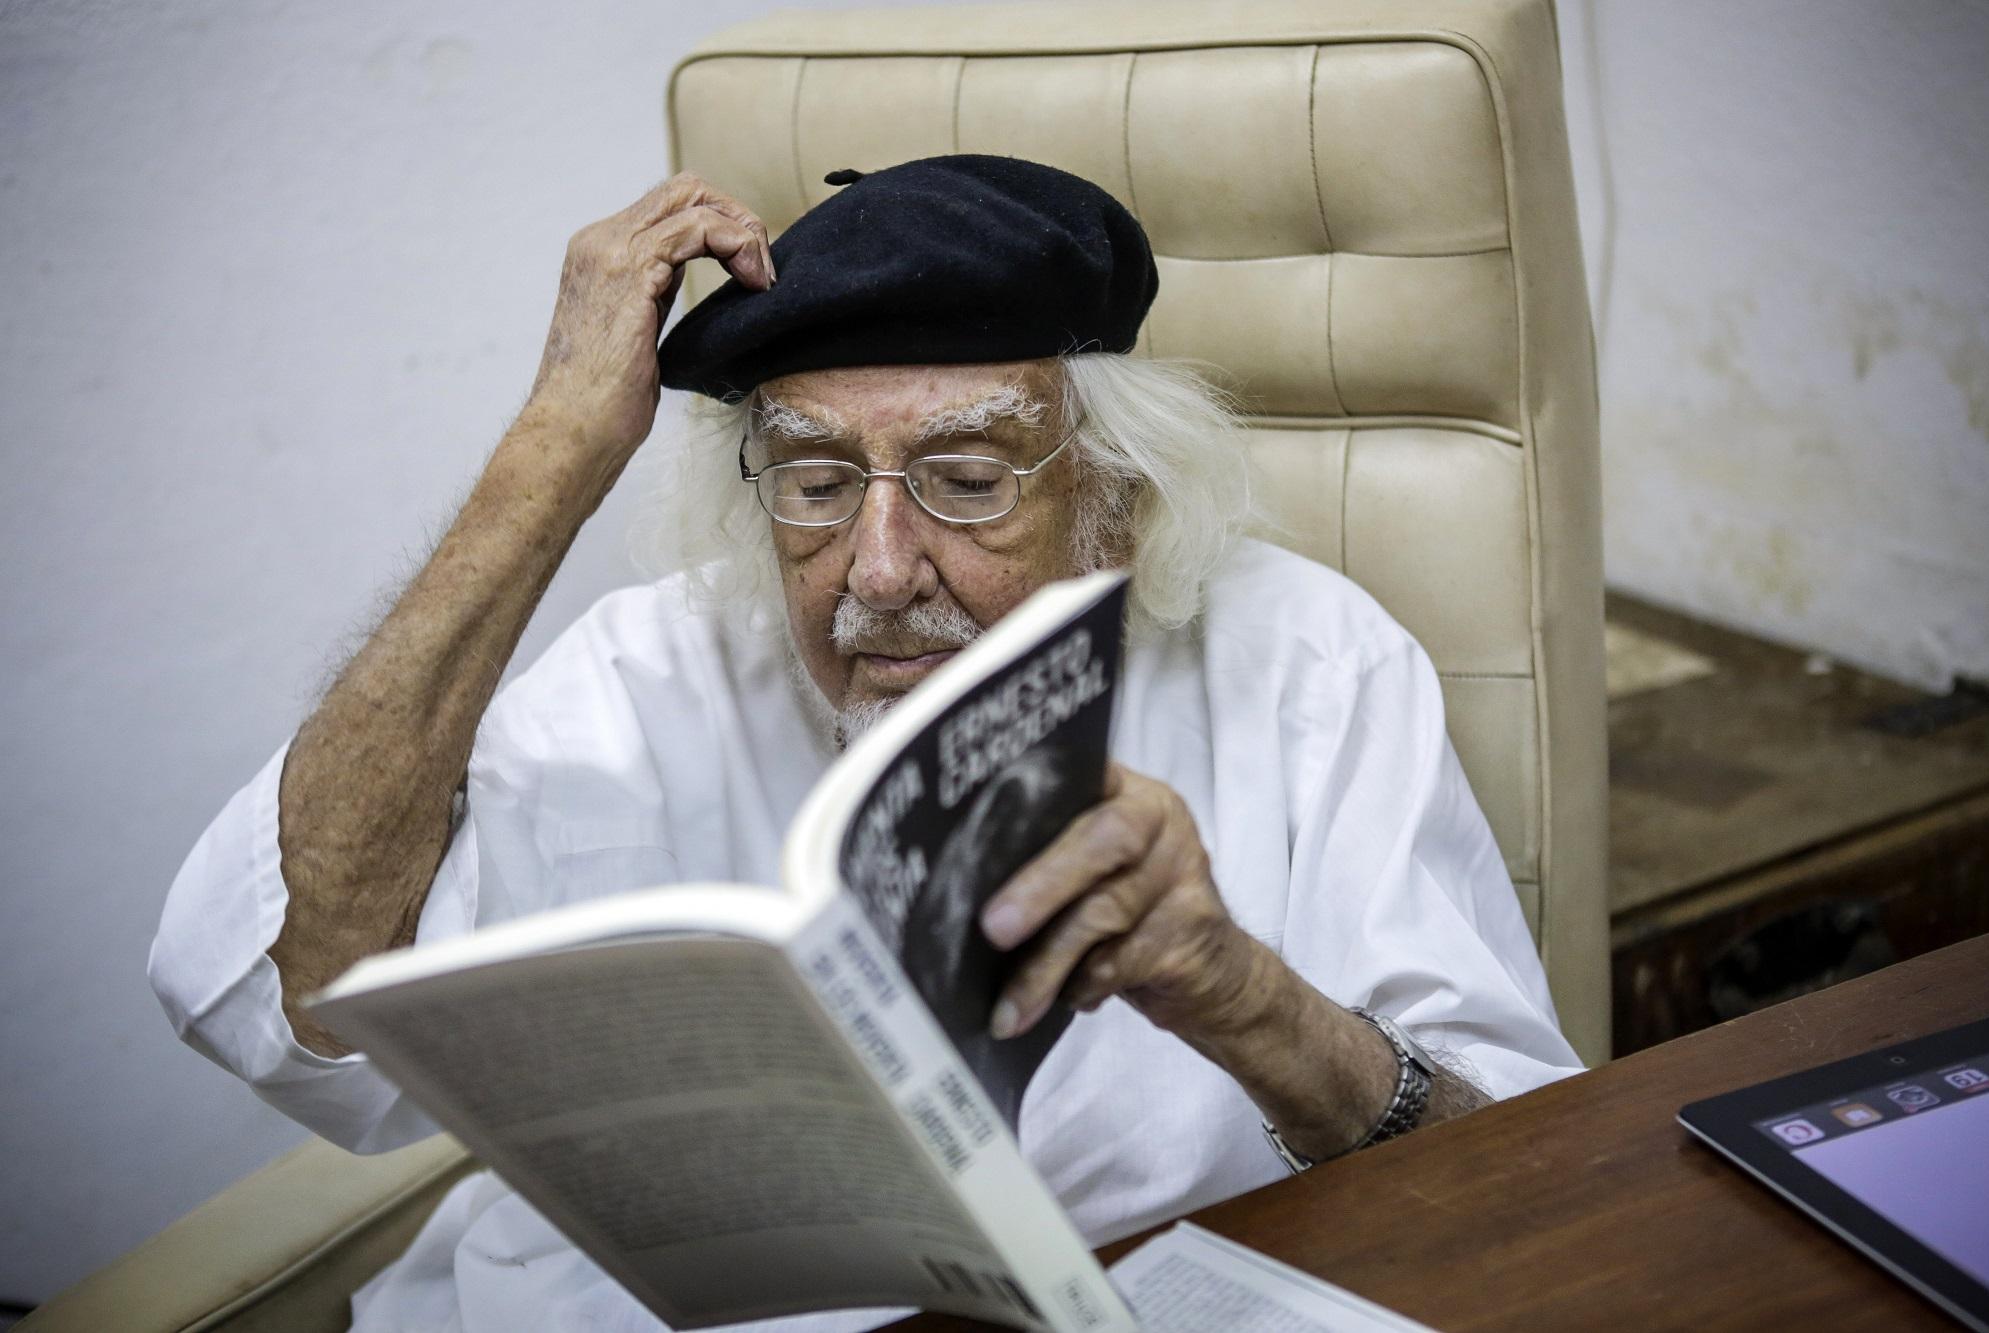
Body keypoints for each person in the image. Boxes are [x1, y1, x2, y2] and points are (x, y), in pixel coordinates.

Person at [151, 156, 1582, 1332]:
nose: (879, 568)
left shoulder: (1307, 665)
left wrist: (1240, 994)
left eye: (965, 479)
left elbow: (1522, 1178)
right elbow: (290, 993)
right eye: (816, 482)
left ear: (1118, 497)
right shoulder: (654, 671)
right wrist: (554, 452)